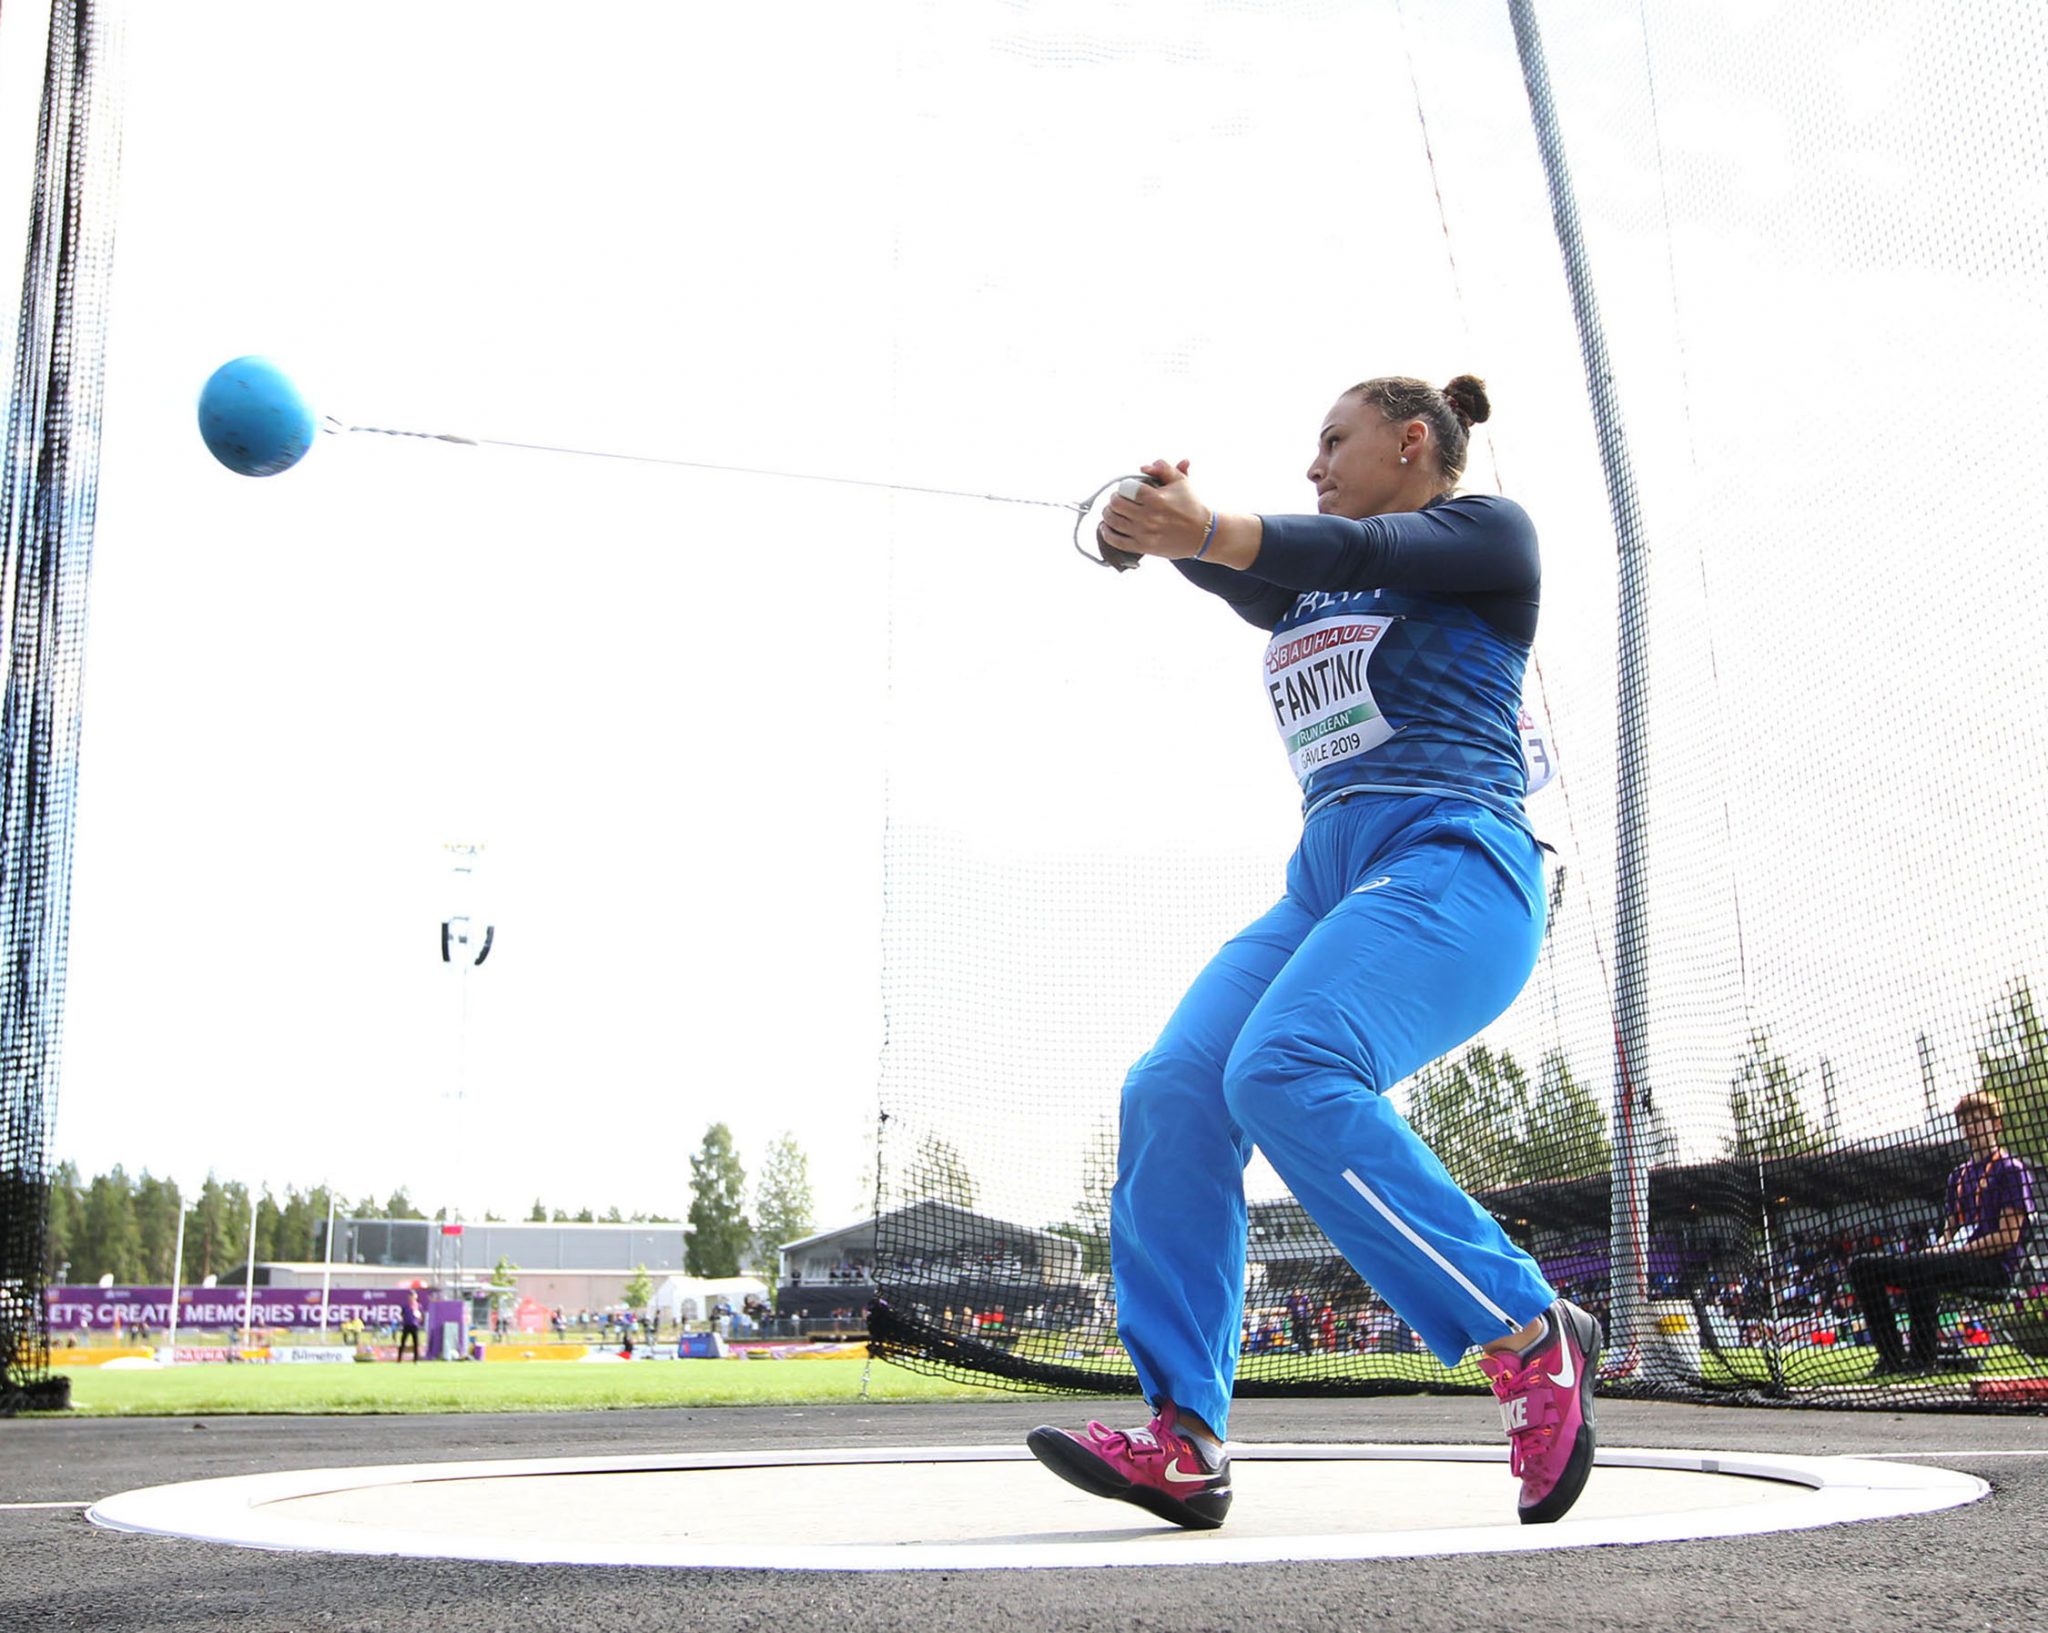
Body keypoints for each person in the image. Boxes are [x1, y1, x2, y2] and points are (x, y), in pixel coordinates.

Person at [1026, 375, 1600, 1530]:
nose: (1312, 463)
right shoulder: (1317, 581)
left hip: (1453, 858)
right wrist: (1161, 527)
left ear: (1410, 441)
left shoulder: (1489, 536)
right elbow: (1255, 562)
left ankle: (1524, 1330)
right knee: (1175, 1087)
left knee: (1283, 1067)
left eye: (1333, 440)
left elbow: (1321, 543)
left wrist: (1206, 529)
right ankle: (1184, 1440)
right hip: (1328, 880)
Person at [1847, 1091, 2035, 1377]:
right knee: (1862, 1267)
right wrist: (1939, 1247)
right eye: (1965, 1123)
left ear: (1996, 1124)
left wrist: (1953, 1251)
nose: (1971, 1128)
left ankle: (1922, 1360)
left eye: (1978, 1121)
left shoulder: (2011, 1170)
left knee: (1924, 1268)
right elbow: (1950, 1230)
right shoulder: (1958, 1175)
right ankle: (1892, 1358)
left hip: (1993, 1268)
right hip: (1951, 1261)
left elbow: (2007, 1237)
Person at [396, 1290, 423, 1363]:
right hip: (406, 1325)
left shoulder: (418, 1306)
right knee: (403, 1342)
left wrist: (419, 1319)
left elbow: (421, 1316)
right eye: (410, 1296)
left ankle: (416, 1359)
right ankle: (399, 1359)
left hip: (414, 1326)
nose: (411, 1297)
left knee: (415, 1343)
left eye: (413, 1296)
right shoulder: (405, 1306)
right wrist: (401, 1318)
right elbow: (401, 1315)